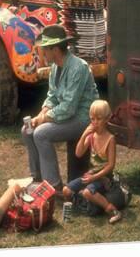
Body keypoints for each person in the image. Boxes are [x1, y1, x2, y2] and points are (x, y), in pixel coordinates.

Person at [21, 25, 99, 191]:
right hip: (67, 115)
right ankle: (37, 178)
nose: (42, 52)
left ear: (55, 49)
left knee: (41, 134)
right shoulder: (55, 67)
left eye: (45, 49)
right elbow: (52, 96)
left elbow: (69, 108)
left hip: (83, 118)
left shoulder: (78, 67)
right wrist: (40, 115)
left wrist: (44, 118)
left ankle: (53, 186)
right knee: (27, 130)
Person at [62, 100, 122, 224]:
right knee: (66, 191)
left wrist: (93, 177)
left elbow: (110, 165)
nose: (94, 122)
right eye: (92, 119)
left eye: (98, 119)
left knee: (88, 192)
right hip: (90, 175)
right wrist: (84, 134)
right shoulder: (91, 136)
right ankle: (80, 201)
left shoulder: (110, 139)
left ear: (107, 119)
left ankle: (112, 210)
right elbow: (78, 153)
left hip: (104, 178)